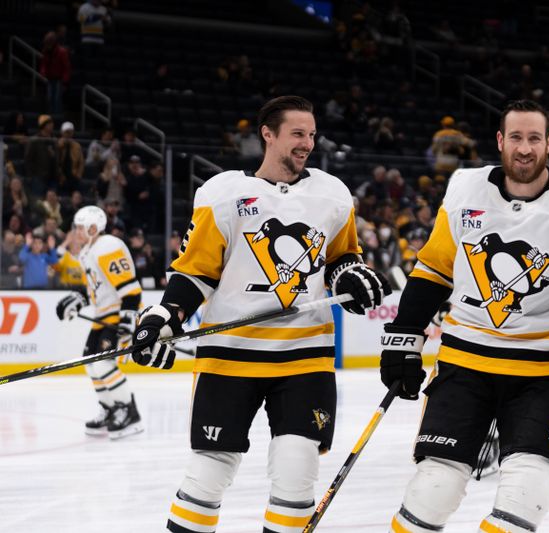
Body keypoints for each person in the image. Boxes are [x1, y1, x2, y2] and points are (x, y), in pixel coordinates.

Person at [129, 95, 390, 533]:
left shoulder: (333, 195)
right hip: (229, 355)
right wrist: (165, 317)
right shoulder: (223, 193)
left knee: (296, 470)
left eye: (311, 134)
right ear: (267, 134)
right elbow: (195, 272)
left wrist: (353, 277)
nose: (307, 143)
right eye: (297, 134)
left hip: (305, 355)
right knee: (209, 472)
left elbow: (343, 258)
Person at [380, 100, 549, 532]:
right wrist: (404, 335)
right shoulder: (464, 189)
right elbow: (433, 269)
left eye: (534, 138)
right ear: (500, 141)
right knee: (434, 487)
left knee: (527, 493)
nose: (524, 148)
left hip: (544, 373)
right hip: (465, 364)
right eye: (515, 137)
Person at [55, 205, 144, 439]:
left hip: (116, 314)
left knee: (105, 365)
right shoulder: (88, 251)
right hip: (101, 316)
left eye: (80, 227)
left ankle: (129, 412)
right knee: (91, 364)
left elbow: (131, 290)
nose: (76, 232)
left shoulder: (108, 247)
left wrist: (128, 322)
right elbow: (96, 288)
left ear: (94, 228)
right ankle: (110, 408)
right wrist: (78, 300)